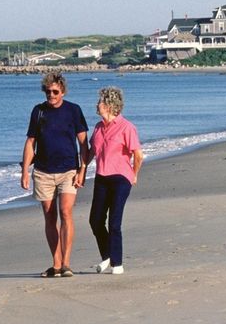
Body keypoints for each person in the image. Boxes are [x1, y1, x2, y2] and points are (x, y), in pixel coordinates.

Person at [20, 72, 88, 278]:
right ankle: (56, 264)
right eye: (48, 91)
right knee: (50, 217)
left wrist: (82, 171)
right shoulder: (38, 111)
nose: (51, 95)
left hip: (69, 170)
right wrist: (24, 171)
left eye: (55, 92)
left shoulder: (74, 110)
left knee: (66, 213)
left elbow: (84, 144)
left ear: (63, 91)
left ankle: (66, 263)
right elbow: (31, 142)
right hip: (43, 172)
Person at [84, 86, 144, 275]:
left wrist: (134, 174)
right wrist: (81, 171)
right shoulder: (98, 127)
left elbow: (138, 154)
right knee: (95, 220)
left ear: (110, 105)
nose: (97, 104)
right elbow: (92, 152)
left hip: (121, 178)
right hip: (102, 177)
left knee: (114, 222)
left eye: (100, 101)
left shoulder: (127, 127)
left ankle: (117, 264)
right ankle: (108, 255)